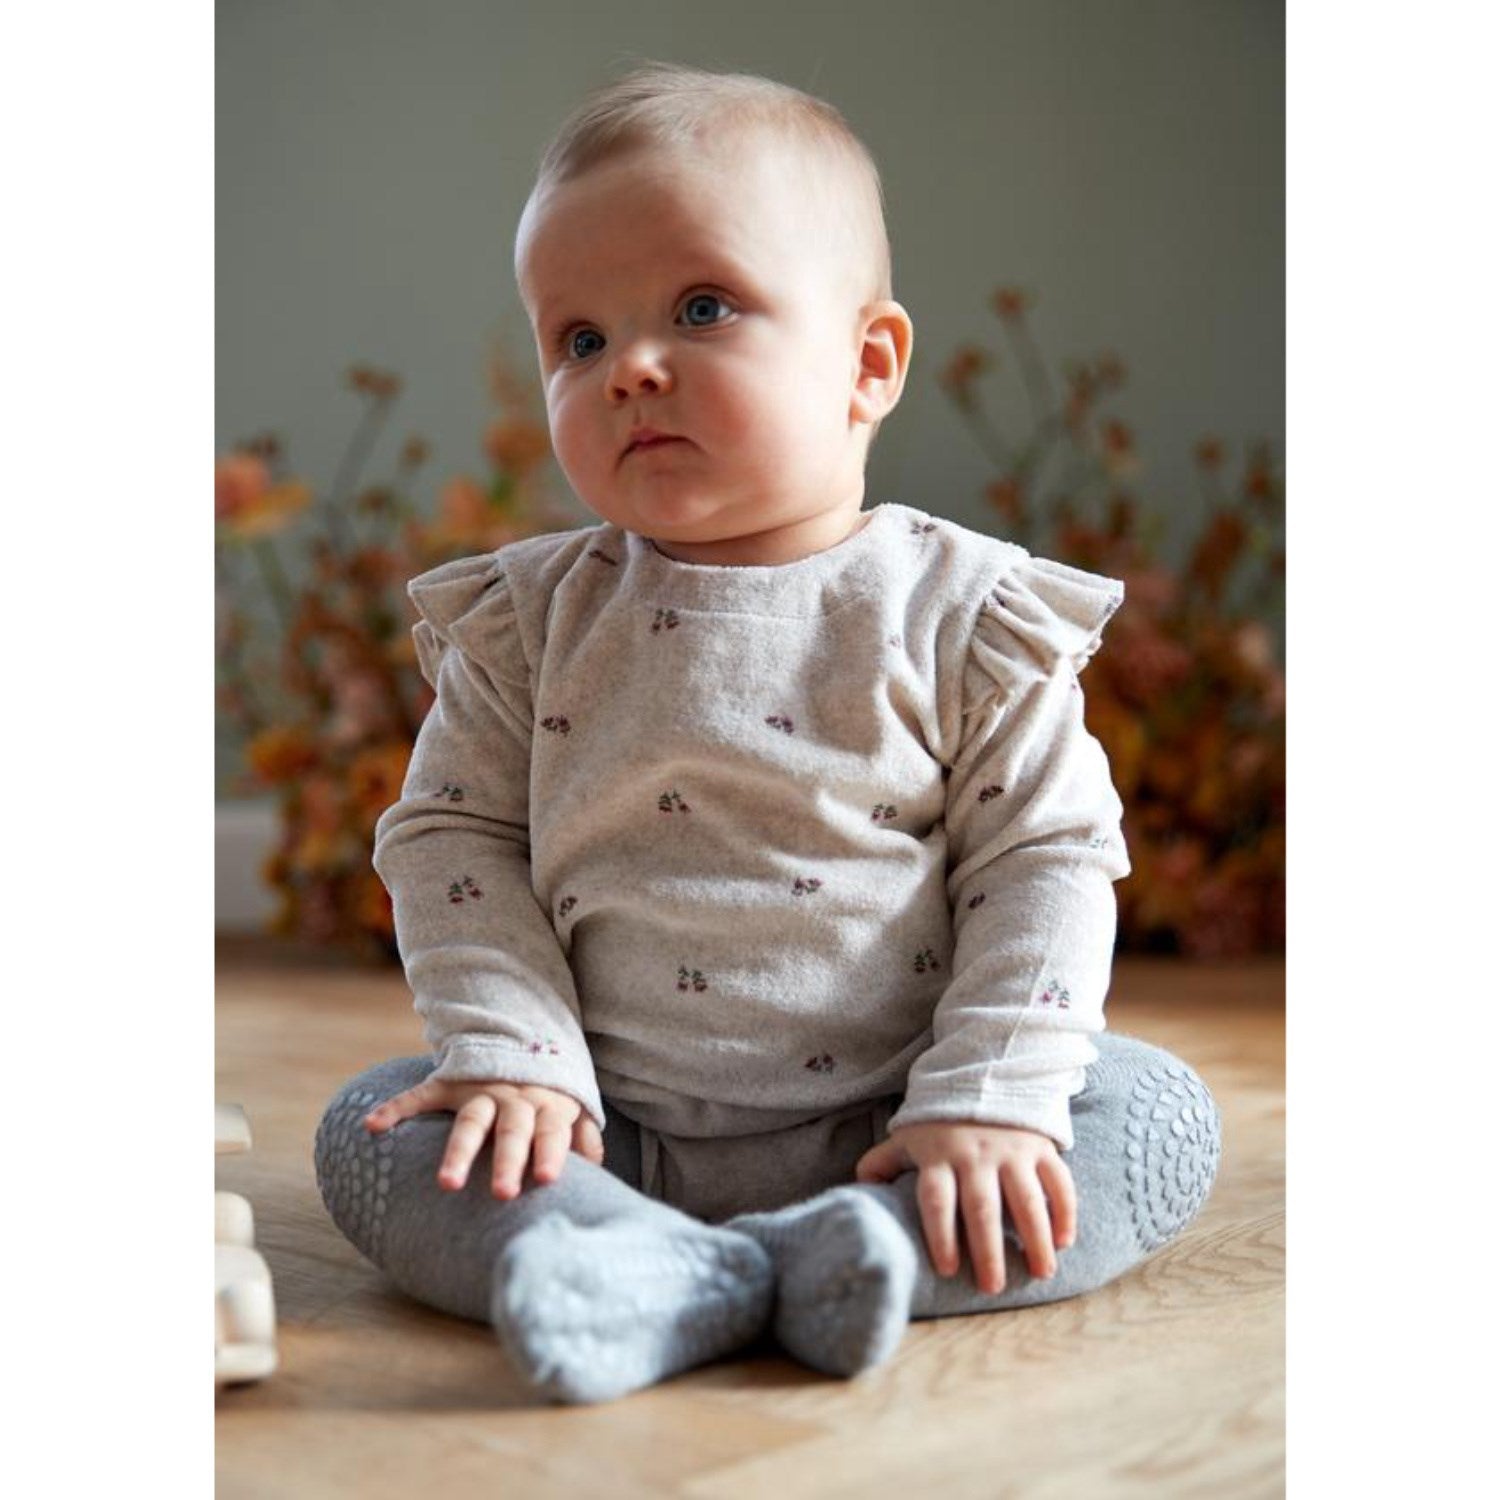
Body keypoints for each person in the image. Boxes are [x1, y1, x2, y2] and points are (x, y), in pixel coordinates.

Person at [314, 60, 1221, 1405]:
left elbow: (1045, 858)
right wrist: (514, 1059)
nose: (630, 369)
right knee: (372, 1131)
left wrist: (986, 1098)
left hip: (902, 1123)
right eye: (578, 340)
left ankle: (831, 1249)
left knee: (1152, 1118)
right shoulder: (525, 626)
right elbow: (454, 844)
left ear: (868, 364)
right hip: (606, 1129)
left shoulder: (967, 617)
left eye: (701, 308)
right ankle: (691, 1261)